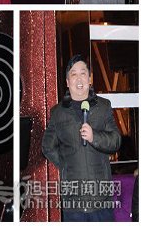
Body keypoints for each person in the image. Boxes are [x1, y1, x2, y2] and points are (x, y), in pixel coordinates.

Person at [42, 55, 121, 221]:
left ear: (89, 78)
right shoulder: (58, 112)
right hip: (73, 203)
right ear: (67, 81)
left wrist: (94, 137)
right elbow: (47, 146)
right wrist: (66, 165)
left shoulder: (103, 106)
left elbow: (116, 141)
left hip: (102, 198)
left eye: (83, 73)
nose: (79, 78)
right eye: (74, 74)